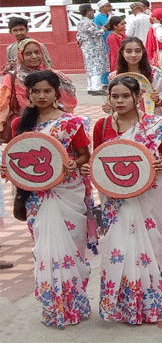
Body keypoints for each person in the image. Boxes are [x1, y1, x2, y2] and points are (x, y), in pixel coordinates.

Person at [2, 71, 93, 327]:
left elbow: (84, 155)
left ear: (56, 93)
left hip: (68, 193)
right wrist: (8, 169)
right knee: (45, 250)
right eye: (35, 92)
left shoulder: (71, 123)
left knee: (73, 250)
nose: (41, 96)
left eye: (47, 91)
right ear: (28, 95)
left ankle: (75, 303)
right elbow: (18, 157)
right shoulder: (20, 124)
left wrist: (72, 165)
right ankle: (54, 306)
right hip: (37, 198)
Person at [90, 76, 162, 323]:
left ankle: (149, 304)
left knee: (150, 245)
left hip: (149, 196)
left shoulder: (158, 125)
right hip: (116, 198)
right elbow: (99, 159)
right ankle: (123, 305)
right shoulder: (102, 126)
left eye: (125, 96)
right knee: (118, 247)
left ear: (138, 97)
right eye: (115, 96)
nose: (119, 101)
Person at [0, 40, 78, 139]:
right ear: (21, 56)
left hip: (57, 126)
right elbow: (3, 105)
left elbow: (70, 102)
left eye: (37, 52)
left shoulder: (56, 76)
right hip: (26, 124)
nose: (34, 56)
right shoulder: (12, 78)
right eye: (28, 53)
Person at [109, 37, 162, 116]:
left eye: (138, 51)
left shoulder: (156, 74)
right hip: (124, 120)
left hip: (151, 118)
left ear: (143, 52)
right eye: (129, 51)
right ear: (122, 52)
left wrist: (158, 100)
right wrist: (109, 106)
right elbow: (112, 100)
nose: (133, 55)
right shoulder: (114, 76)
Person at [76, 3, 109, 95]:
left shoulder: (80, 22)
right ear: (88, 12)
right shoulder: (87, 23)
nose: (93, 12)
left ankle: (91, 86)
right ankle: (96, 88)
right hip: (93, 49)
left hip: (87, 49)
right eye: (92, 11)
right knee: (96, 68)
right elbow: (95, 33)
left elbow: (79, 35)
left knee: (90, 68)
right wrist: (103, 29)